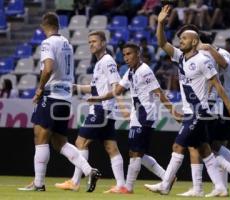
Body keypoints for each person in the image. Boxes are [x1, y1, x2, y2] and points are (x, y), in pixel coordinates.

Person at [144, 5, 230, 197]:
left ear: (195, 41)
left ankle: (165, 184)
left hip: (201, 111)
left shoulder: (203, 60)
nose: (180, 41)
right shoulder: (181, 57)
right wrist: (160, 24)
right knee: (203, 149)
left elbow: (217, 84)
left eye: (184, 38)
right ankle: (226, 182)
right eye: (180, 39)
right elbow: (162, 43)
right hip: (192, 111)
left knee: (178, 146)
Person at [17, 12, 100, 192]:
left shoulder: (48, 43)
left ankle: (38, 183)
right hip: (65, 98)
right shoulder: (67, 44)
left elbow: (47, 69)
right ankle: (88, 169)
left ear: (43, 26)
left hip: (51, 95)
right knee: (59, 141)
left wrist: (40, 89)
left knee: (40, 136)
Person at [88, 42, 182, 193]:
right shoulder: (130, 71)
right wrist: (99, 98)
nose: (126, 58)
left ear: (138, 54)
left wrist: (173, 112)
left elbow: (159, 92)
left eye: (129, 54)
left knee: (135, 152)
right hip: (137, 115)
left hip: (145, 114)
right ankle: (167, 177)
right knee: (137, 153)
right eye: (124, 54)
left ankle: (128, 187)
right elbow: (117, 90)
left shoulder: (145, 70)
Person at [177, 32, 230, 197]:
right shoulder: (213, 53)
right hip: (224, 103)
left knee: (208, 146)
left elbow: (222, 67)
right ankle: (226, 184)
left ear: (200, 43)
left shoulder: (213, 53)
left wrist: (209, 49)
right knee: (217, 147)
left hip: (225, 104)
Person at [54, 31, 126, 193]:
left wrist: (118, 106)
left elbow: (116, 86)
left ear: (103, 43)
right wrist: (76, 88)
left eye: (94, 41)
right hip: (107, 110)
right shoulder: (100, 62)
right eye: (89, 42)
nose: (91, 44)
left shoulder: (107, 61)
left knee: (81, 143)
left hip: (102, 109)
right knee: (111, 147)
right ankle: (122, 185)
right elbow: (95, 88)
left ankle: (75, 181)